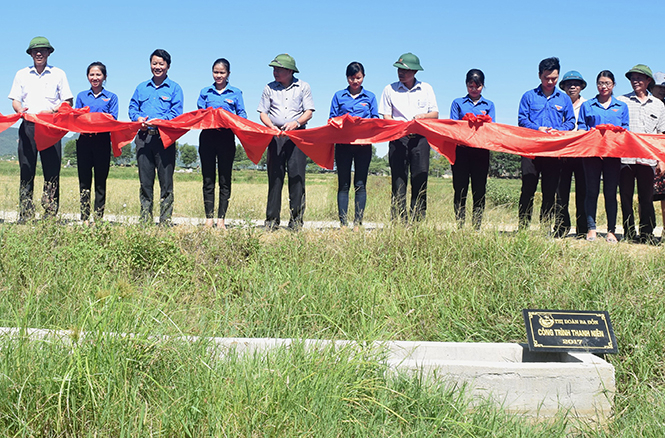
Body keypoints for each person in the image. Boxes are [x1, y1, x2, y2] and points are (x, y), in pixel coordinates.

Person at [8, 36, 73, 223]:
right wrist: (19, 110)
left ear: (49, 53)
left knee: (51, 171)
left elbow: (67, 101)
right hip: (28, 126)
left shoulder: (59, 73)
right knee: (26, 169)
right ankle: (26, 214)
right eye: (35, 51)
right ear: (30, 54)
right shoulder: (21, 74)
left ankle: (50, 213)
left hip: (50, 127)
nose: (39, 53)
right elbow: (15, 99)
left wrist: (52, 110)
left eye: (43, 50)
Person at [379, 52, 438, 222]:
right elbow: (386, 116)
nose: (400, 73)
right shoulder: (389, 89)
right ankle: (398, 218)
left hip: (420, 139)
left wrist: (423, 117)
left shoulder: (426, 89)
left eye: (405, 70)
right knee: (399, 179)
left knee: (420, 178)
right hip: (398, 139)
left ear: (414, 72)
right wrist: (399, 128)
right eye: (399, 69)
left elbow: (434, 114)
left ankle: (417, 219)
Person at [517, 57, 575, 230]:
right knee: (528, 189)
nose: (550, 82)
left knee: (550, 191)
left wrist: (559, 130)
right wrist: (537, 128)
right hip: (531, 151)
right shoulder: (528, 96)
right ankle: (523, 227)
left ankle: (545, 228)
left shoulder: (564, 99)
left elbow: (571, 121)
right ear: (539, 76)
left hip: (553, 152)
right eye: (546, 78)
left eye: (554, 78)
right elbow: (522, 119)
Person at [258, 53, 315, 231]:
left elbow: (309, 111)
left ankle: (296, 221)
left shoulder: (303, 87)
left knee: (296, 178)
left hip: (297, 137)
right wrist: (272, 127)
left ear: (290, 71)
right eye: (274, 69)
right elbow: (262, 113)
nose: (275, 72)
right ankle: (271, 221)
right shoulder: (269, 88)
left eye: (278, 69)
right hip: (275, 136)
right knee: (275, 178)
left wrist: (297, 123)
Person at [129, 49, 183, 225]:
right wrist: (138, 118)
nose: (157, 67)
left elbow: (176, 113)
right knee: (145, 182)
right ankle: (145, 219)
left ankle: (165, 220)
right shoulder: (141, 87)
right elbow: (132, 108)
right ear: (150, 65)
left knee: (166, 182)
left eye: (161, 64)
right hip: (144, 138)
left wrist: (160, 121)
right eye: (154, 63)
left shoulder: (175, 88)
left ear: (168, 66)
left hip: (164, 139)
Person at [578, 70, 630, 243]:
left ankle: (611, 231)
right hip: (592, 155)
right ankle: (591, 228)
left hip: (613, 156)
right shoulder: (588, 105)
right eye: (600, 83)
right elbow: (581, 128)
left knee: (610, 193)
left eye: (607, 83)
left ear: (613, 85)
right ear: (596, 85)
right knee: (591, 191)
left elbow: (625, 131)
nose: (603, 87)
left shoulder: (621, 107)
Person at [616, 65, 665, 244]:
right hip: (625, 158)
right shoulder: (621, 101)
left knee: (647, 198)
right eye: (632, 78)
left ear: (648, 82)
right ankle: (629, 233)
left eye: (639, 78)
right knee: (626, 197)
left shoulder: (659, 105)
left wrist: (661, 160)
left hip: (648, 159)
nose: (635, 81)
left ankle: (647, 233)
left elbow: (661, 135)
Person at [197, 58, 247, 229]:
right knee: (208, 178)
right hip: (207, 137)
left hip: (226, 139)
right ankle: (209, 218)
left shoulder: (236, 93)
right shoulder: (205, 92)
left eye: (222, 73)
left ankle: (221, 219)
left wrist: (230, 119)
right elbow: (199, 114)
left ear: (228, 74)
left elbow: (242, 116)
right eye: (216, 72)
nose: (218, 75)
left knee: (225, 179)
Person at [329, 61, 379, 230]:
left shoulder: (370, 97)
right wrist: (344, 121)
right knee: (343, 184)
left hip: (363, 145)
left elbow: (376, 120)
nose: (355, 81)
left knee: (360, 183)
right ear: (347, 78)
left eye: (358, 78)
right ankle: (343, 224)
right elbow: (331, 119)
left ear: (363, 77)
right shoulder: (338, 96)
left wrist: (362, 122)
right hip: (343, 145)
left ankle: (358, 223)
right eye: (352, 78)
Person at [449, 68, 495, 230]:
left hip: (480, 151)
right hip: (461, 151)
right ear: (466, 85)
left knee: (479, 189)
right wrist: (465, 122)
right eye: (471, 86)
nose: (474, 89)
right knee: (460, 188)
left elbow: (492, 129)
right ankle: (460, 224)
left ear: (483, 86)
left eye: (478, 86)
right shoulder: (458, 103)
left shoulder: (489, 105)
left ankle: (477, 225)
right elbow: (453, 127)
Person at [74, 62, 118, 225]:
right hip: (84, 141)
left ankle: (98, 217)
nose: (95, 78)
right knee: (84, 180)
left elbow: (112, 118)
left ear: (104, 77)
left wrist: (94, 119)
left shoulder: (112, 97)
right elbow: (77, 117)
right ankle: (84, 217)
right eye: (92, 74)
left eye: (98, 75)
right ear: (87, 77)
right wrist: (95, 119)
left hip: (102, 141)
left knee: (101, 181)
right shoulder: (81, 96)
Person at [553, 70, 588, 238]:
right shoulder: (557, 103)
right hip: (562, 153)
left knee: (583, 191)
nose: (572, 87)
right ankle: (561, 227)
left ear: (581, 87)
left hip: (582, 153)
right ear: (563, 87)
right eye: (568, 84)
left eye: (576, 84)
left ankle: (582, 229)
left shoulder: (588, 105)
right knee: (560, 192)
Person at [651, 72, 665, 227]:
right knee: (645, 195)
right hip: (649, 155)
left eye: (664, 88)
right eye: (659, 87)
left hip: (663, 155)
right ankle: (646, 228)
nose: (662, 90)